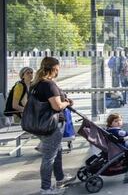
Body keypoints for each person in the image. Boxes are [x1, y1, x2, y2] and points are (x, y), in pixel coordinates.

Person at [31, 57, 75, 195]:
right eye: (58, 68)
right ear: (55, 68)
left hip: (40, 123)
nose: (59, 70)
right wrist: (67, 103)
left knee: (57, 151)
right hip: (52, 125)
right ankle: (46, 188)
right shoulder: (48, 85)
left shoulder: (35, 84)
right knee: (49, 157)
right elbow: (57, 106)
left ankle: (60, 178)